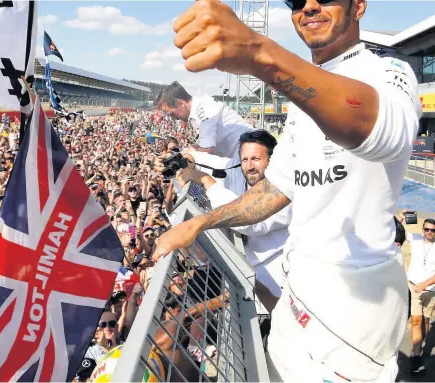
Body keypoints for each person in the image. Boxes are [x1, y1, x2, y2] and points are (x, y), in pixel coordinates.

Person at [155, 0, 422, 381]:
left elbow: (379, 132)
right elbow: (273, 190)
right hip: (298, 285)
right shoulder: (300, 97)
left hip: (357, 299)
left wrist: (259, 53)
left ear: (359, 6)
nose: (309, 5)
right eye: (297, 0)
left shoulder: (389, 71)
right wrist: (201, 224)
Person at [175, 130, 287, 313]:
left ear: (272, 161)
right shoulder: (239, 172)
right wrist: (184, 158)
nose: (249, 166)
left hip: (274, 300)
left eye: (256, 159)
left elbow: (250, 220)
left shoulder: (284, 190)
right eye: (245, 159)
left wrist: (205, 180)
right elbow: (212, 162)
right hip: (244, 294)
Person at [154, 82, 252, 159]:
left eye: (172, 114)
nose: (173, 118)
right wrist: (177, 153)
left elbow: (207, 149)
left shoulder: (203, 108)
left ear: (181, 103)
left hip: (248, 156)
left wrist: (177, 158)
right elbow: (198, 146)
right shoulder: (198, 109)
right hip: (241, 156)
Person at [402, 217, 435, 373]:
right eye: (427, 229)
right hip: (415, 288)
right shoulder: (415, 239)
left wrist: (425, 284)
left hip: (431, 291)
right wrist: (402, 217)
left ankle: (419, 346)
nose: (429, 232)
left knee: (425, 321)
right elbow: (398, 232)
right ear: (422, 229)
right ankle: (416, 355)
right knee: (416, 320)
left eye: (433, 230)